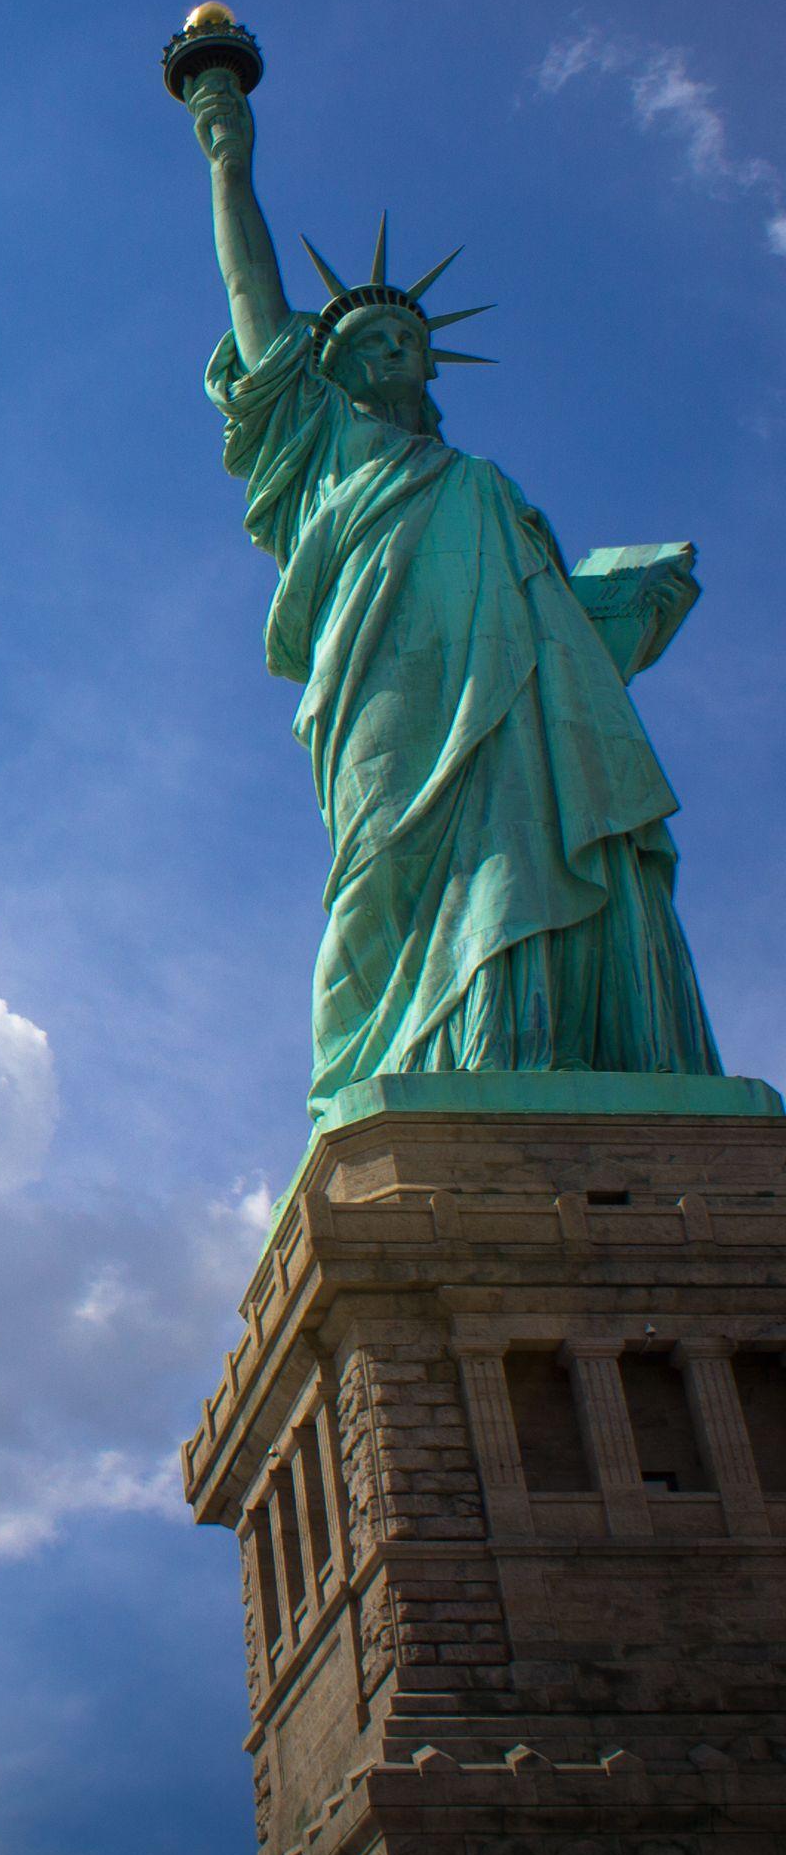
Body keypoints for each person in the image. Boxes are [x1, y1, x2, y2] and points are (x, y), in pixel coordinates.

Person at [188, 68, 721, 1117]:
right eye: (365, 343)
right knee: (381, 867)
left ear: (430, 368)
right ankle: (383, 1071)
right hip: (386, 688)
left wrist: (630, 601)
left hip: (529, 708)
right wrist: (228, 162)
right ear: (329, 371)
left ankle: (526, 1042)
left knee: (532, 838)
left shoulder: (483, 486)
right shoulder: (323, 448)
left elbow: (554, 624)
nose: (393, 349)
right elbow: (254, 301)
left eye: (409, 343)